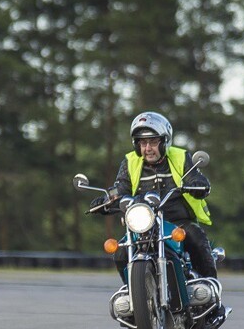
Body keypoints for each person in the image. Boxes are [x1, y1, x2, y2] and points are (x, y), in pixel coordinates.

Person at [90, 111, 219, 279]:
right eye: (143, 143)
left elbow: (194, 177)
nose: (148, 148)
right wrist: (106, 200)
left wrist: (197, 184)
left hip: (177, 222)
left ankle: (209, 289)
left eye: (153, 142)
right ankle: (131, 294)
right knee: (120, 252)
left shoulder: (180, 157)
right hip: (144, 225)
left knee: (196, 237)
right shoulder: (130, 162)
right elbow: (121, 189)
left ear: (165, 141)